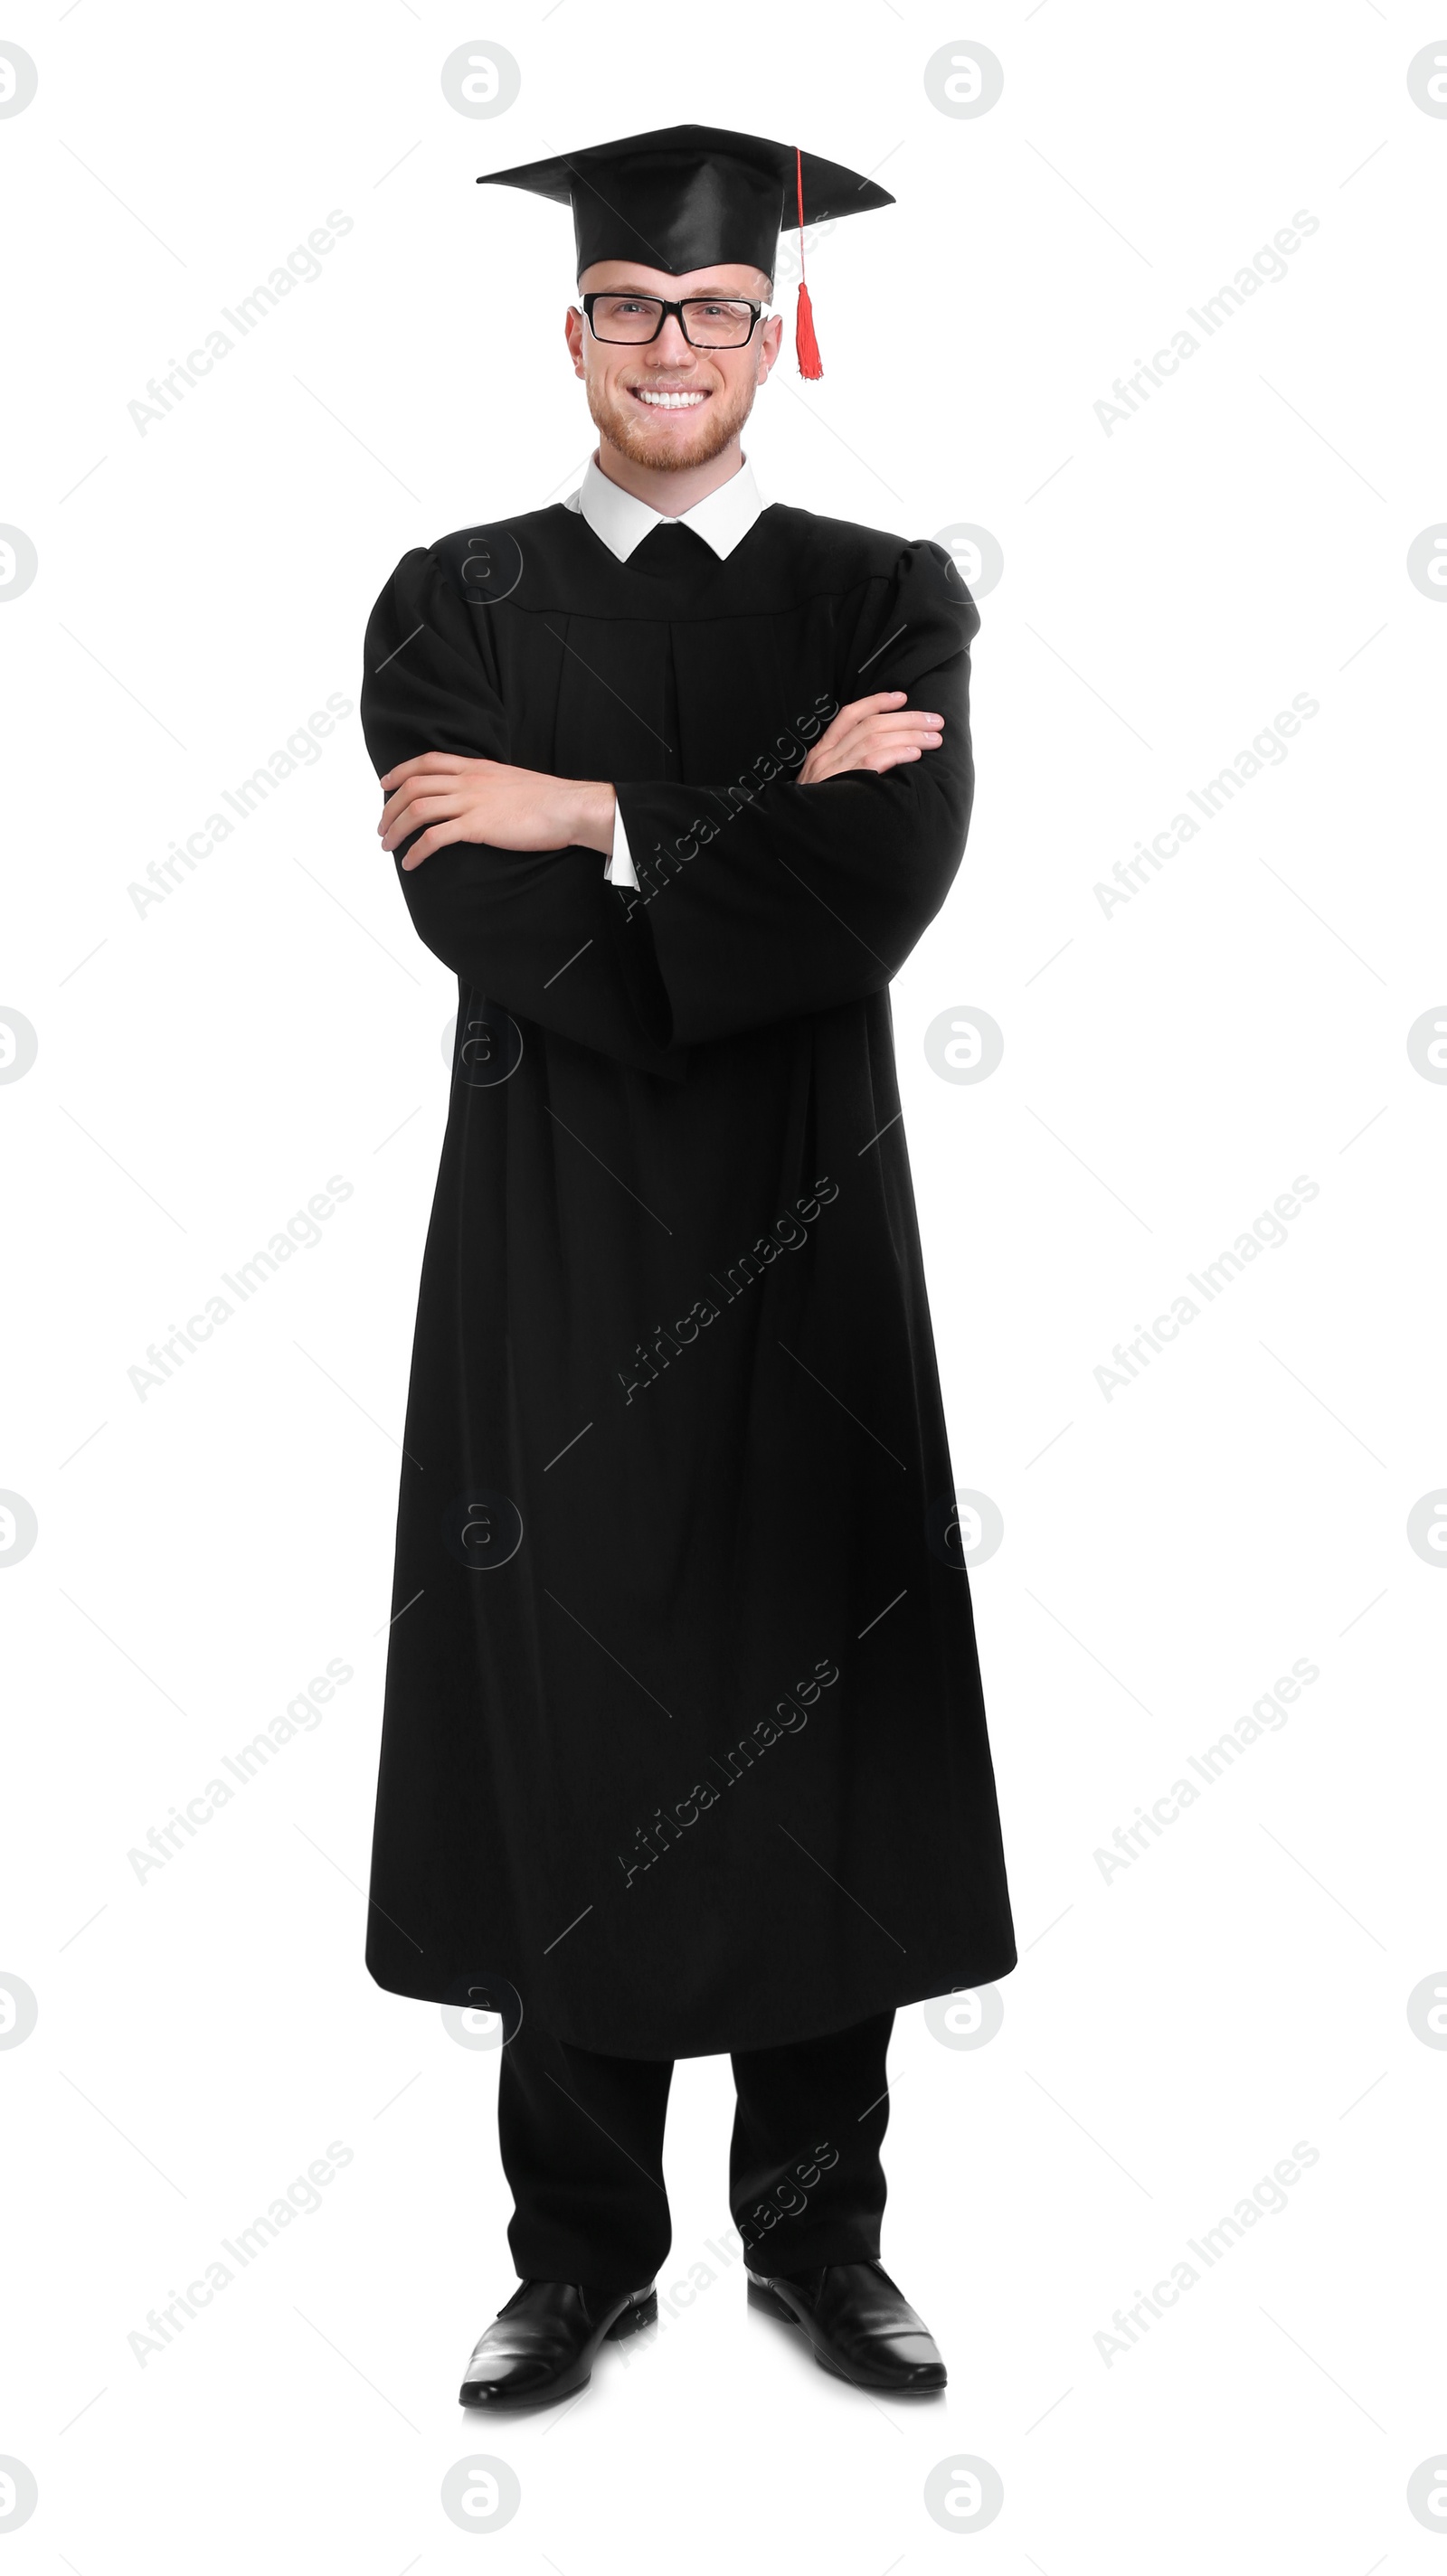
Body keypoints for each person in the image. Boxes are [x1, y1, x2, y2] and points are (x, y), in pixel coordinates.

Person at [359, 122, 1016, 2409]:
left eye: (713, 309)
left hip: (812, 1235)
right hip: (551, 1237)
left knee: (821, 1694)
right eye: (630, 306)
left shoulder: (879, 591)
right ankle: (577, 2251)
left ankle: (819, 2237)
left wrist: (603, 813)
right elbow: (482, 907)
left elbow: (887, 872)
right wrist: (729, 828)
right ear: (574, 330)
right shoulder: (452, 598)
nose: (670, 342)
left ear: (775, 333)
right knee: (568, 1705)